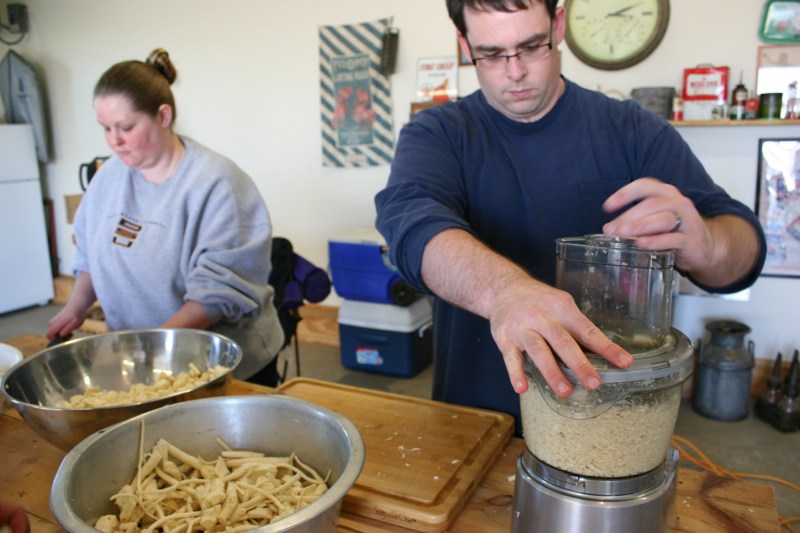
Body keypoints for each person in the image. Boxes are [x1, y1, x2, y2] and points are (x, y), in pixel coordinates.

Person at [374, 0, 766, 433]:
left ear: (557, 25)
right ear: (465, 45)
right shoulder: (437, 134)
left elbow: (744, 252)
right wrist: (504, 293)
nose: (515, 71)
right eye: (491, 54)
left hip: (612, 416)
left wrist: (709, 244)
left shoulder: (632, 131)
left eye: (531, 46)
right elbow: (412, 226)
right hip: (480, 419)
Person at [48, 49, 284, 385]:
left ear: (162, 115)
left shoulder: (218, 184)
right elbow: (89, 252)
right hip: (140, 361)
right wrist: (75, 306)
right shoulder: (108, 178)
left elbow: (217, 294)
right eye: (105, 128)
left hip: (222, 365)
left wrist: (146, 346)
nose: (114, 141)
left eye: (126, 127)